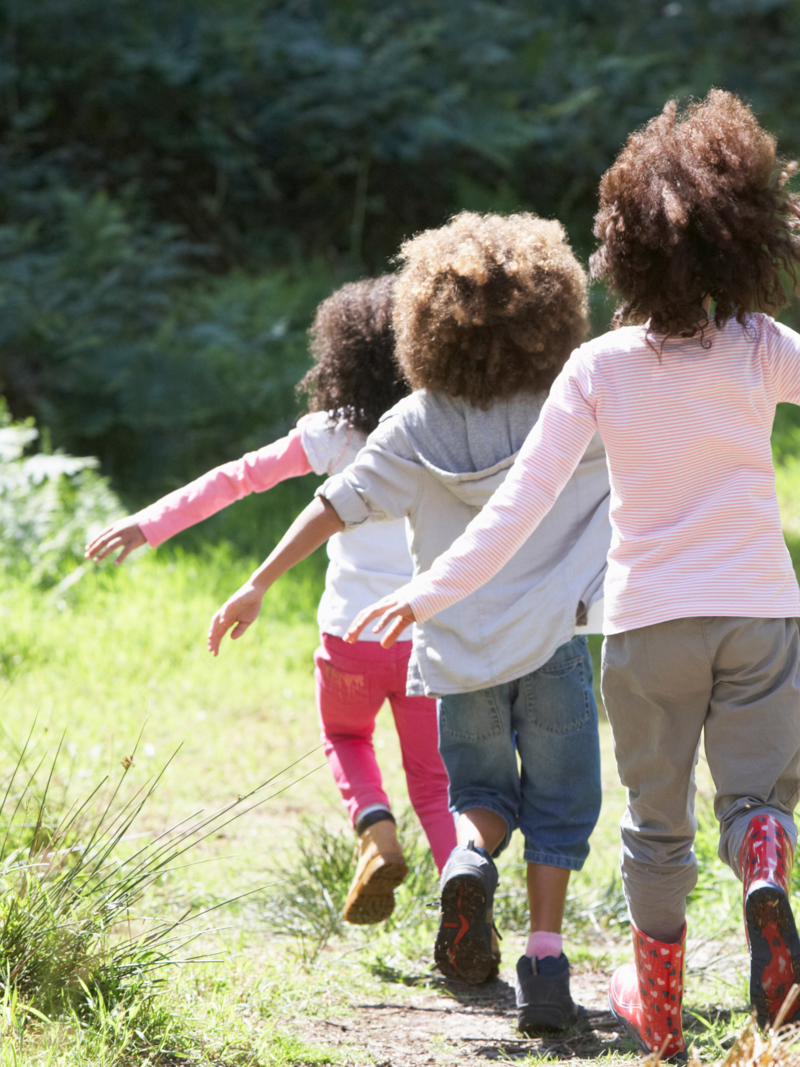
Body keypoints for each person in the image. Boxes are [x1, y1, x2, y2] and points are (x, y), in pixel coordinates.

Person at [347, 91, 800, 1055]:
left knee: (654, 826)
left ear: (620, 249)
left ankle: (662, 1012)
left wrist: (429, 590)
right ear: (743, 239)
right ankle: (764, 857)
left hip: (647, 627)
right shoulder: (761, 350)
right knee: (757, 796)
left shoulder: (597, 367)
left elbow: (519, 506)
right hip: (761, 611)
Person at [208, 211, 611, 1034]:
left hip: (455, 653)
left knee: (483, 795)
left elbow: (332, 504)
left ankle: (467, 861)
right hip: (552, 646)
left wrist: (256, 582)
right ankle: (544, 963)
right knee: (561, 808)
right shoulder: (567, 406)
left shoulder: (415, 421)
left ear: (423, 320)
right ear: (551, 309)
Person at [84, 275, 455, 924]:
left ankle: (375, 831)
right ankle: (464, 895)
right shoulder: (443, 428)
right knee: (434, 780)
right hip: (426, 637)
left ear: (343, 357)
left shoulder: (335, 433)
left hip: (350, 638)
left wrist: (150, 523)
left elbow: (238, 478)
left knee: (344, 733)